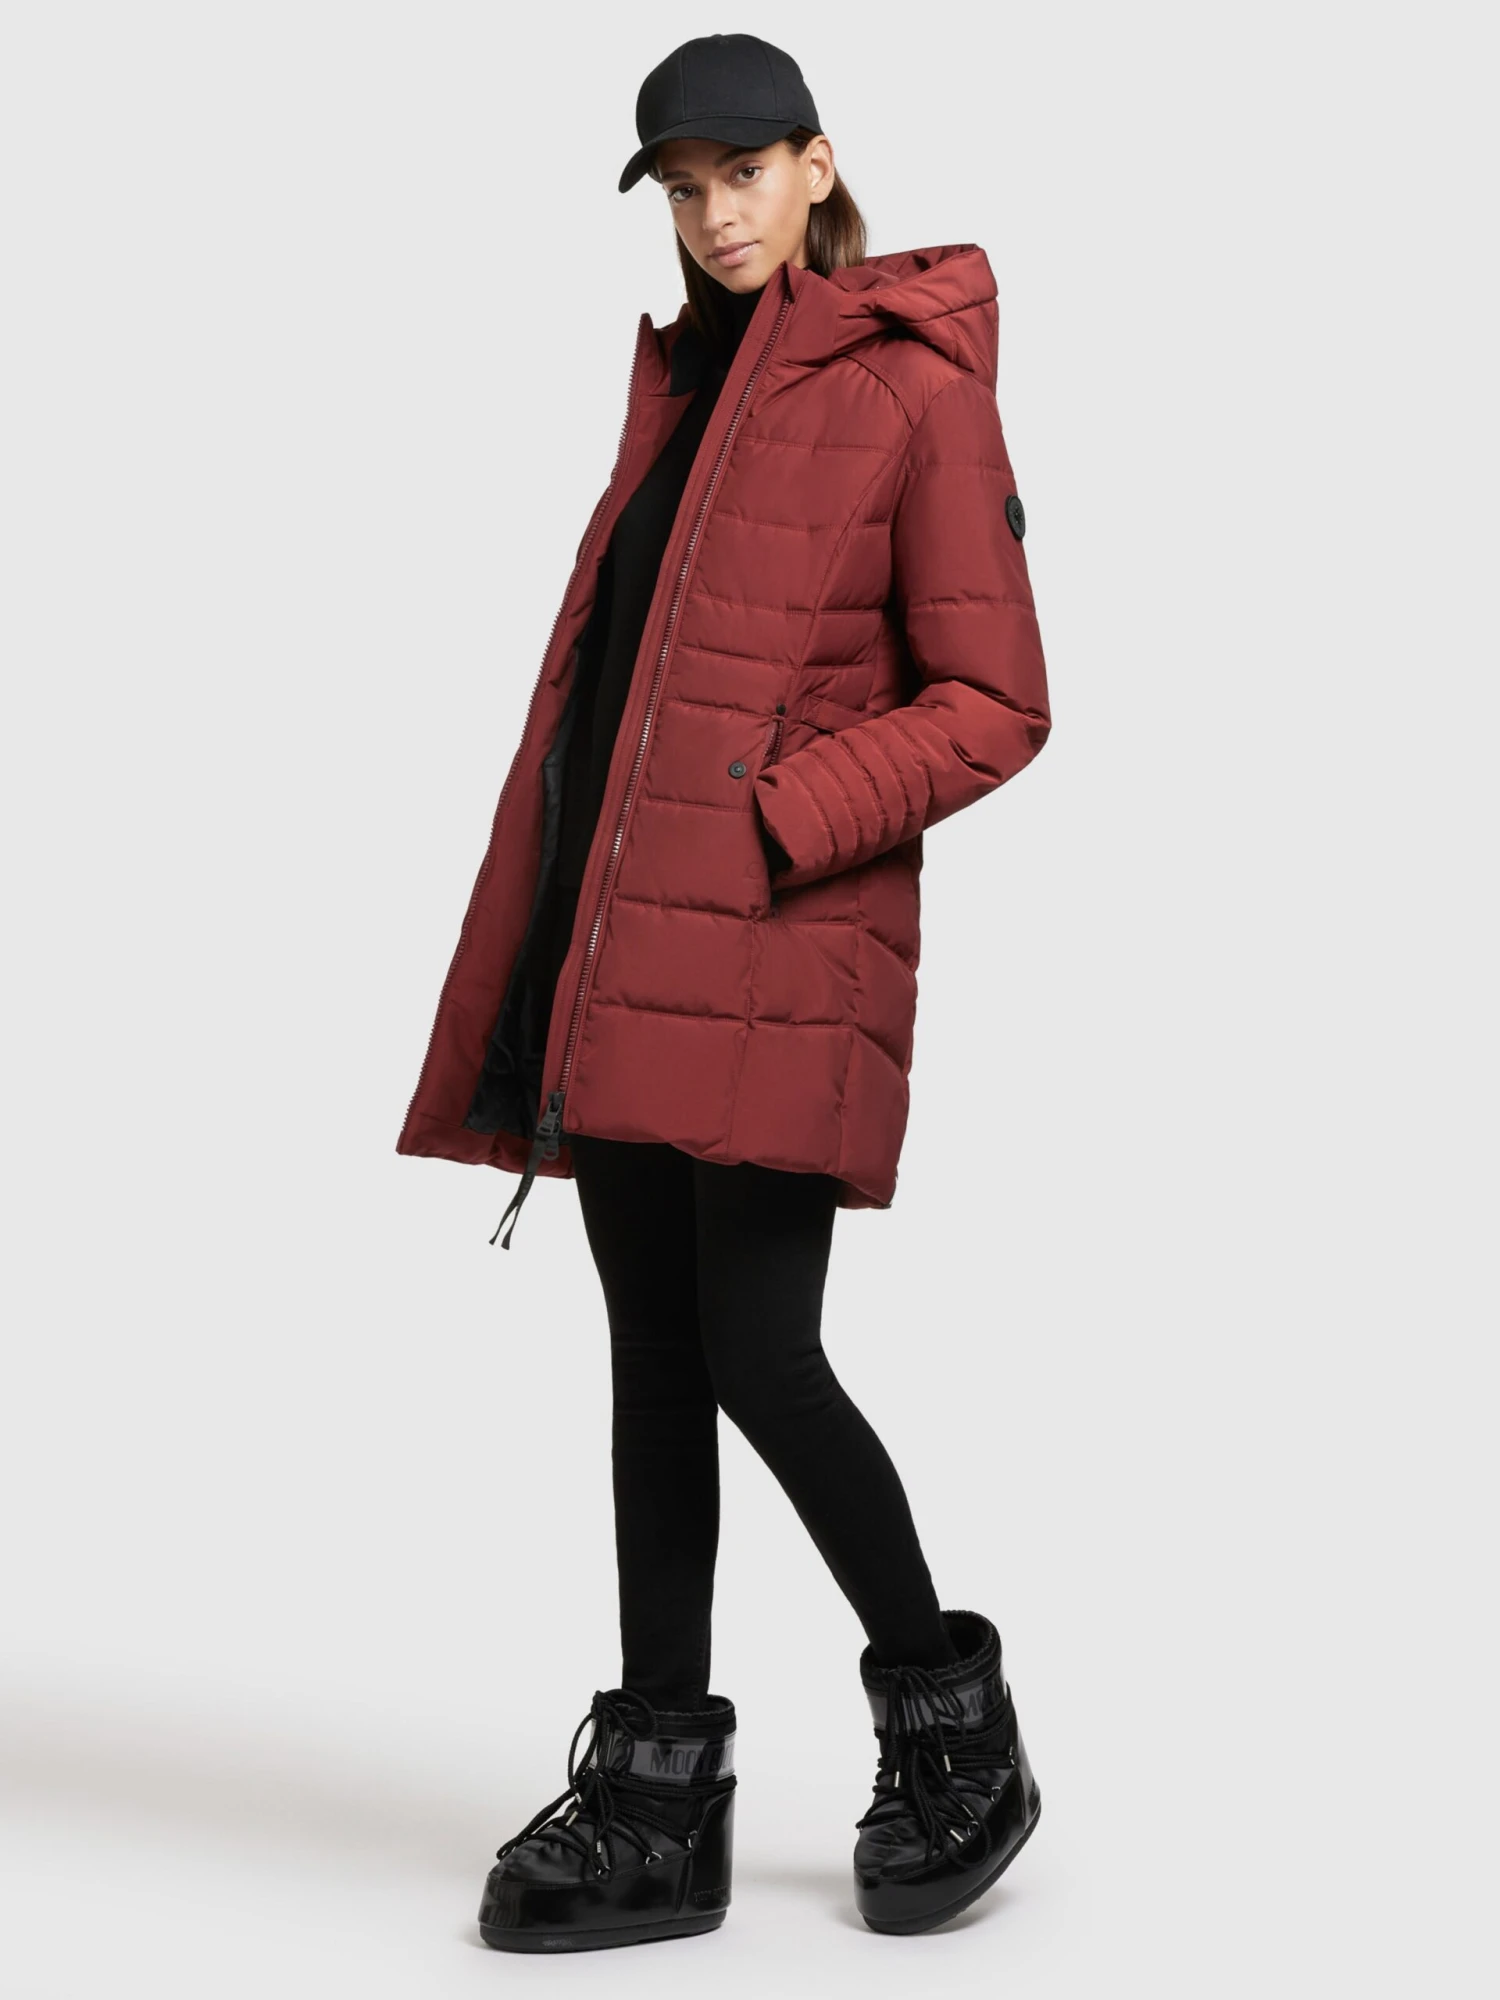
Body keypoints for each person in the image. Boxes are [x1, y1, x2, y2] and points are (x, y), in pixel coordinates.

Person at [396, 32, 1051, 1951]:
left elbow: (999, 700)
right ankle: (658, 1796)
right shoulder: (687, 384)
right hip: (622, 953)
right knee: (655, 1368)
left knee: (764, 1354)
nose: (713, 213)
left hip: (772, 946)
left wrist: (775, 820)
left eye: (742, 173)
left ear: (816, 166)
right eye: (681, 187)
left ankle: (954, 1729)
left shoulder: (913, 388)